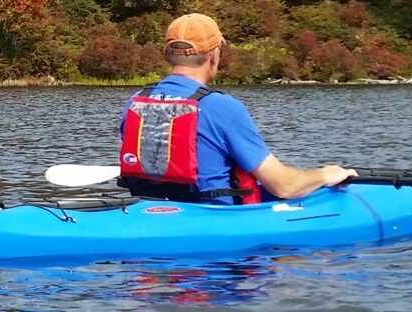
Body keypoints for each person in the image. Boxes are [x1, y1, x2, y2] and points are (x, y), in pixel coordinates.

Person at [116, 13, 356, 204]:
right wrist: (325, 174)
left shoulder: (136, 101)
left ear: (167, 54)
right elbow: (284, 186)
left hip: (151, 209)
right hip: (213, 225)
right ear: (214, 55)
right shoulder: (222, 107)